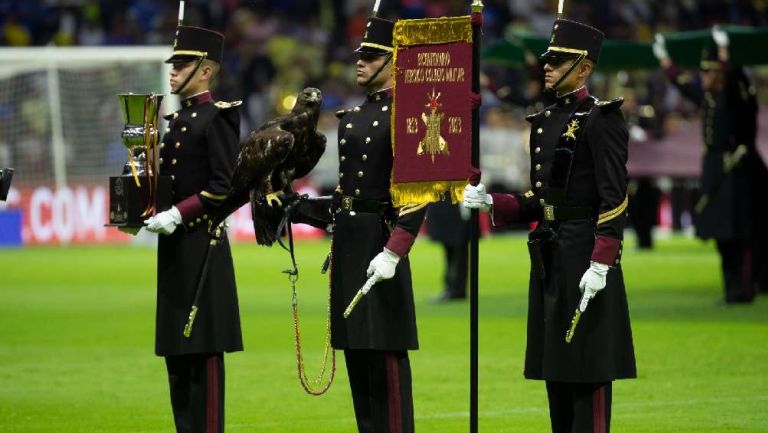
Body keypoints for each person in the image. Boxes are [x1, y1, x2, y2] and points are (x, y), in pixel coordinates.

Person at [463, 19, 636, 433]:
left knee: (588, 370)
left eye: (558, 61)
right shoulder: (545, 121)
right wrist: (494, 201)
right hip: (550, 256)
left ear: (584, 68)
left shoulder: (601, 118)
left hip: (584, 254)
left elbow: (615, 198)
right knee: (556, 371)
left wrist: (602, 261)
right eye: (548, 60)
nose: (548, 67)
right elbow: (542, 201)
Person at [293, 15, 425, 433]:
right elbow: (346, 199)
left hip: (378, 244)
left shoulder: (408, 115)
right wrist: (297, 208)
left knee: (385, 367)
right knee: (359, 370)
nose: (361, 62)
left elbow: (417, 194)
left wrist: (395, 250)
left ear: (395, 61)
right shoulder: (353, 117)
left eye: (371, 56)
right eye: (360, 55)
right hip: (350, 246)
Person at [140, 25, 243, 433]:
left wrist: (178, 214)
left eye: (182, 64)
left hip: (203, 246)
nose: (173, 71)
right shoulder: (178, 120)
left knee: (202, 360)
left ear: (206, 70)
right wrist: (143, 209)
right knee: (177, 361)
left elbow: (224, 186)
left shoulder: (217, 117)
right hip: (176, 250)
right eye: (174, 63)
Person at [653, 27, 768, 301]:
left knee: (739, 231)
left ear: (720, 73)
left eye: (709, 71)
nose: (702, 76)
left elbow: (732, 83)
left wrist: (726, 53)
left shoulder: (732, 94)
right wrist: (664, 59)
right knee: (720, 232)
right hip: (714, 167)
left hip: (734, 169)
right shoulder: (707, 96)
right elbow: (681, 81)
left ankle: (744, 287)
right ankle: (733, 286)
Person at [426, 198, 469, 302]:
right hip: (447, 204)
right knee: (451, 248)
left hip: (456, 205)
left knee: (458, 248)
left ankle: (456, 288)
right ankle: (452, 287)